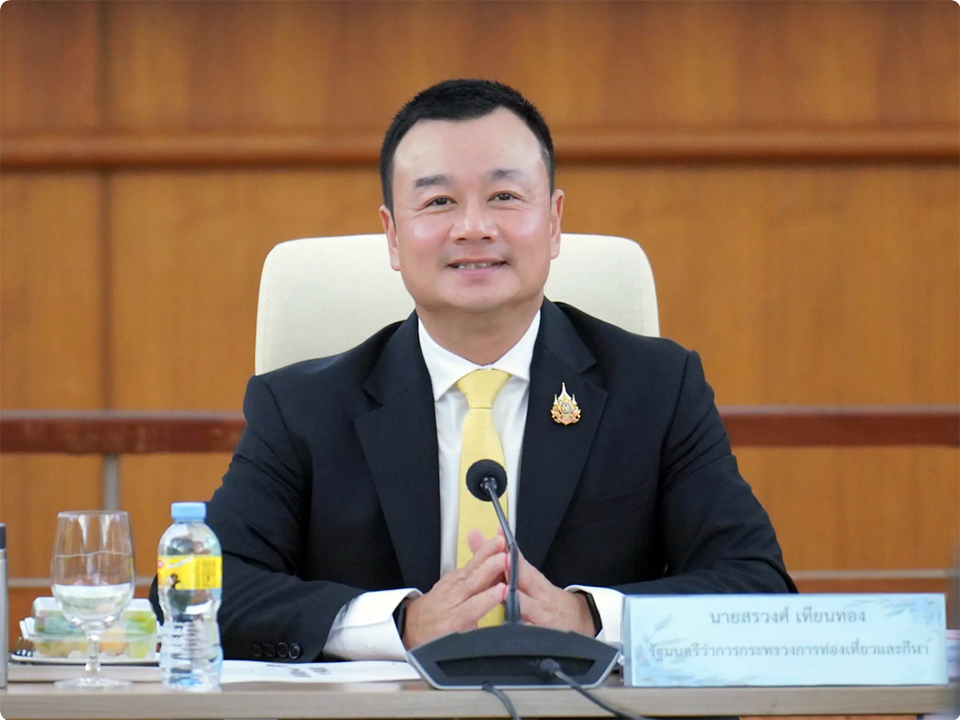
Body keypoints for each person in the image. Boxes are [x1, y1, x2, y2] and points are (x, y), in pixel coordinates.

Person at [150, 79, 795, 663]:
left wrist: (588, 616)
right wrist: (399, 625)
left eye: (505, 196)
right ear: (393, 236)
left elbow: (758, 588)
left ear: (554, 222)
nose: (474, 227)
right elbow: (193, 587)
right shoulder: (303, 408)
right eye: (438, 202)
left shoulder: (656, 388)